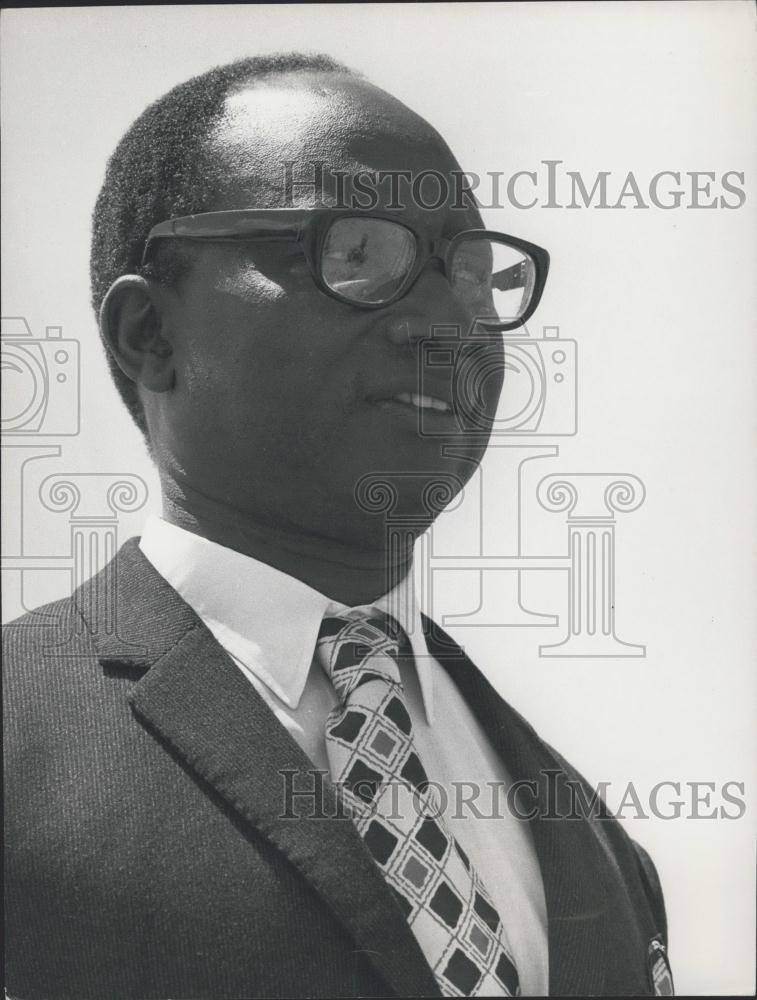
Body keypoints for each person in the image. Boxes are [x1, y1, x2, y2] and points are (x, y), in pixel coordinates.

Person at [3, 54, 672, 999]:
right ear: (150, 332)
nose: (450, 325)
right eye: (357, 254)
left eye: (474, 273)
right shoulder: (20, 742)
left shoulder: (596, 842)